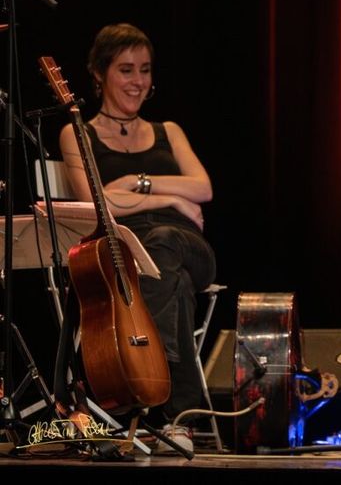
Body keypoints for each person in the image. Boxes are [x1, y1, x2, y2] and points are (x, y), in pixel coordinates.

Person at [59, 23, 215, 454]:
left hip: (187, 244)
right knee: (175, 283)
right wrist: (171, 196)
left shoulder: (169, 130)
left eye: (145, 70)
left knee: (165, 244)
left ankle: (145, 385)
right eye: (126, 70)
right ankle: (179, 415)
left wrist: (135, 183)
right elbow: (96, 201)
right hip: (123, 257)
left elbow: (203, 188)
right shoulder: (78, 134)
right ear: (99, 73)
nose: (138, 81)